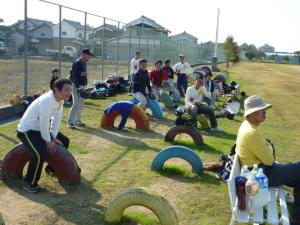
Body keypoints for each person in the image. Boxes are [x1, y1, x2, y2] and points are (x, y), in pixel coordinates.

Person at [236, 95, 300, 225]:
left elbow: (266, 151)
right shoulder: (252, 133)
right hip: (261, 174)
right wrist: (269, 147)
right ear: (252, 113)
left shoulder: (247, 126)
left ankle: (297, 218)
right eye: (262, 109)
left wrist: (267, 147)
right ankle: (297, 218)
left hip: (255, 171)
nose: (265, 112)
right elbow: (270, 160)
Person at [17, 78, 72, 193]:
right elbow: (43, 122)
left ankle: (51, 169)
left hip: (40, 129)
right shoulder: (47, 100)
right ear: (56, 89)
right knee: (39, 153)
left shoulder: (60, 100)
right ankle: (29, 183)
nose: (69, 93)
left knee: (64, 141)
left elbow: (56, 120)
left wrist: (54, 136)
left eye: (70, 90)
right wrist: (48, 140)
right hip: (27, 131)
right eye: (66, 90)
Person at [67, 48, 94, 129]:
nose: (90, 57)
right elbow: (74, 76)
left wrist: (85, 85)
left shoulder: (84, 63)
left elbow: (83, 75)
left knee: (80, 104)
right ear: (83, 54)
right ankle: (70, 122)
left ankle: (77, 120)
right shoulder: (77, 62)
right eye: (89, 55)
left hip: (82, 85)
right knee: (75, 104)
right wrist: (78, 87)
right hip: (76, 85)